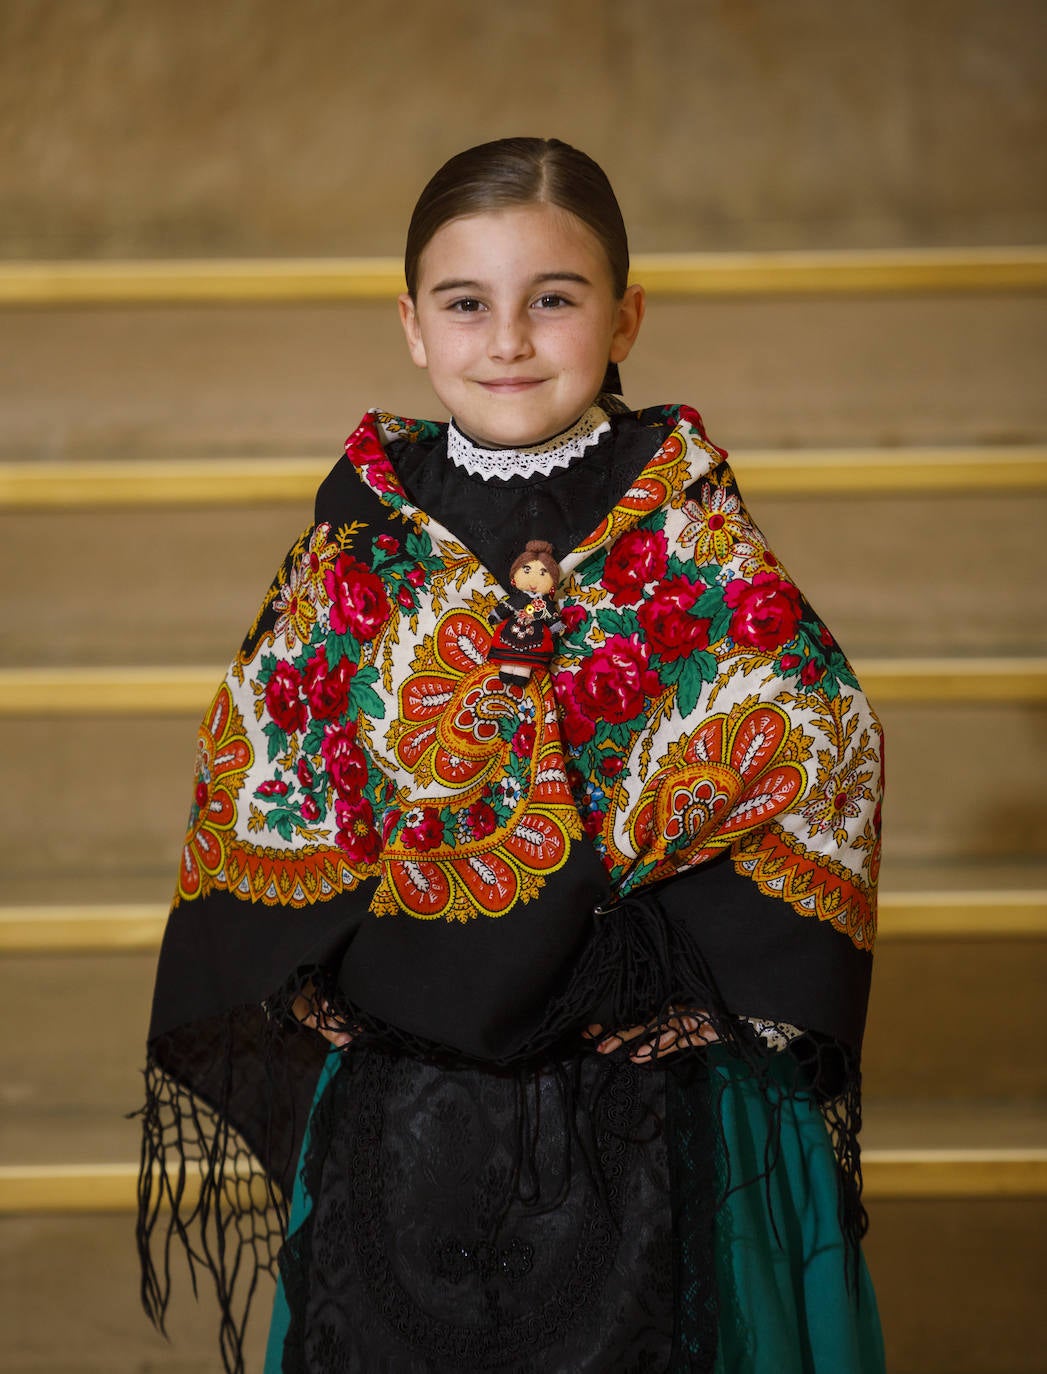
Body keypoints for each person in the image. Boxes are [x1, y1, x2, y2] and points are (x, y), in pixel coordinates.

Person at [138, 137, 886, 1374]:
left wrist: (694, 973)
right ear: (414, 327)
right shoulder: (366, 531)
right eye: (466, 303)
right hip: (405, 1071)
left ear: (625, 315)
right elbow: (275, 733)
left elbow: (816, 731)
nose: (509, 340)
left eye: (555, 299)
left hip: (633, 1077)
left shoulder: (683, 515)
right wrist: (308, 959)